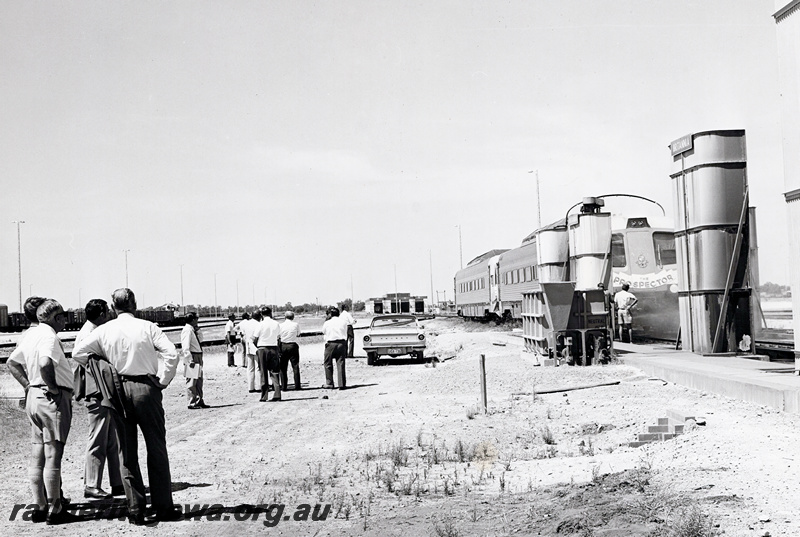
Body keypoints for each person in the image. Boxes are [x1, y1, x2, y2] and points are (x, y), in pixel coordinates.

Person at [72, 288, 181, 525]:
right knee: (156, 447)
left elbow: (78, 353)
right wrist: (162, 380)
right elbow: (171, 354)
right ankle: (163, 507)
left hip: (116, 391)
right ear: (134, 303)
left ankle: (135, 509)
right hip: (146, 389)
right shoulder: (148, 326)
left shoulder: (103, 330)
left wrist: (103, 369)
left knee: (127, 451)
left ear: (113, 307)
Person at [7, 299, 79, 525]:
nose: (65, 320)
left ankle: (40, 507)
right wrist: (54, 388)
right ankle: (56, 510)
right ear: (56, 318)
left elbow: (12, 362)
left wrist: (29, 386)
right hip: (50, 399)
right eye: (63, 316)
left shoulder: (30, 334)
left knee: (37, 455)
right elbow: (46, 363)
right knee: (53, 456)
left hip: (34, 398)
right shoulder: (49, 336)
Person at [73, 299, 123, 500]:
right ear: (102, 313)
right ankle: (91, 484)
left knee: (111, 438)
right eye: (108, 311)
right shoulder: (90, 334)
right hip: (96, 391)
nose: (111, 313)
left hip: (102, 389)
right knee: (98, 437)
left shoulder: (94, 330)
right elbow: (82, 359)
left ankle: (117, 482)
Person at [252, 307, 281, 402]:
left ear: (261, 314)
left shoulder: (260, 324)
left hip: (262, 349)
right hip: (273, 348)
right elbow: (278, 337)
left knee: (263, 372)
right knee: (274, 372)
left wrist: (258, 347)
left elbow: (255, 338)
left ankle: (264, 396)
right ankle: (277, 394)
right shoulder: (276, 323)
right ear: (270, 313)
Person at [181, 312, 208, 409]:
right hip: (192, 355)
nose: (197, 321)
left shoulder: (193, 330)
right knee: (192, 380)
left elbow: (200, 340)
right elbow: (185, 347)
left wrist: (198, 330)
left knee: (199, 379)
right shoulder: (187, 330)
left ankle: (199, 400)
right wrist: (189, 359)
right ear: (192, 320)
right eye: (196, 319)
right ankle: (192, 402)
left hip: (198, 355)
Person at [322, 307, 348, 390]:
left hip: (331, 343)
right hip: (341, 343)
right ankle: (341, 384)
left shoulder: (327, 323)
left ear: (330, 314)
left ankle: (329, 383)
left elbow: (324, 332)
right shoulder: (344, 322)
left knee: (327, 363)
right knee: (340, 363)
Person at [279, 311, 302, 391]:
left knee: (283, 367)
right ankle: (297, 385)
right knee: (295, 366)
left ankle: (284, 386)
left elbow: (278, 336)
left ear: (285, 317)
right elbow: (298, 334)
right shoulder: (296, 325)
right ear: (293, 317)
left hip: (283, 345)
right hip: (292, 345)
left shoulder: (280, 325)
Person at [242, 310, 262, 393]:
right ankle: (259, 386)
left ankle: (251, 387)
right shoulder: (259, 324)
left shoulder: (247, 324)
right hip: (256, 346)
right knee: (258, 367)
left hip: (248, 346)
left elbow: (243, 335)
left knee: (250, 368)